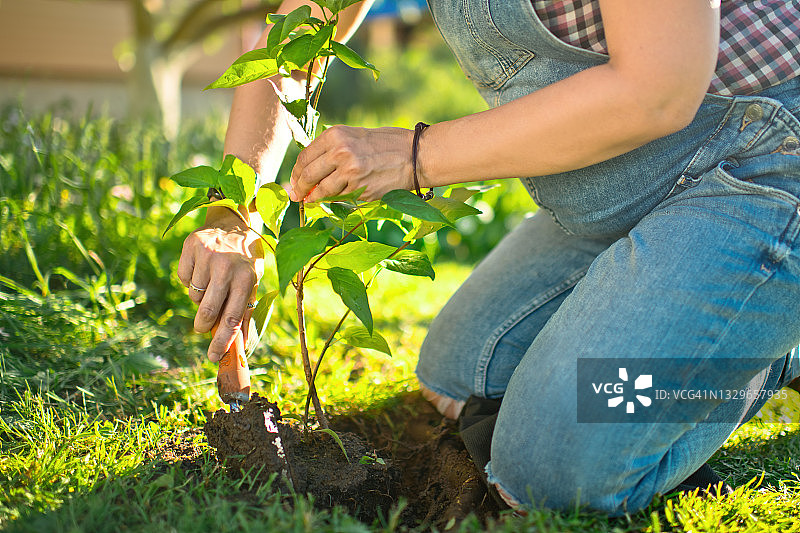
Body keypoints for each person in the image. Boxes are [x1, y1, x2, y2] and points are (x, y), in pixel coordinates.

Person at [177, 0, 800, 515]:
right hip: (625, 186)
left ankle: (759, 354)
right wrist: (235, 216)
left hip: (764, 161)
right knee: (461, 371)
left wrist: (415, 156)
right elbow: (292, 45)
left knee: (554, 470)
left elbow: (659, 90)